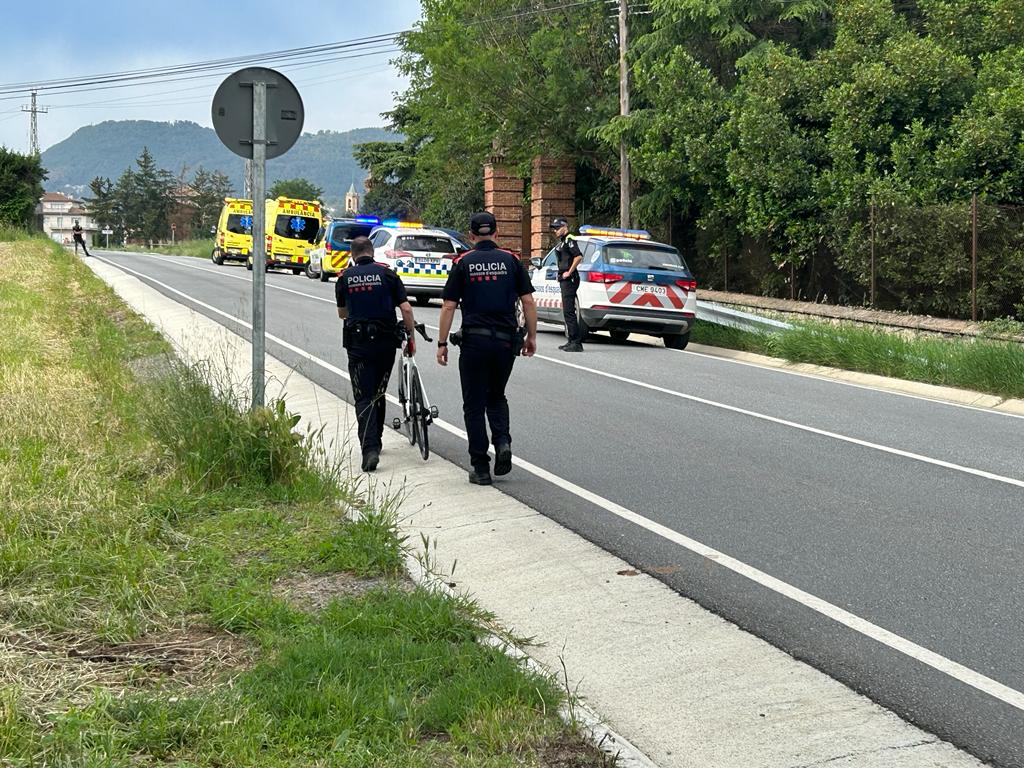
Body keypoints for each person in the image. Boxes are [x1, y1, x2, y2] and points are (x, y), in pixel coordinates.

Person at [436, 212, 538, 485]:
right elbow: (528, 302)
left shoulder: (463, 262)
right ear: (496, 233)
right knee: (497, 396)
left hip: (474, 342)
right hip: (505, 342)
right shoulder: (511, 261)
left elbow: (448, 306)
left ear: (470, 236)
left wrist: (442, 342)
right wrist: (531, 336)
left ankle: (481, 467)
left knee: (473, 405)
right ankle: (502, 442)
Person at [336, 236, 416, 472]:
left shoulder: (344, 278)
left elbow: (342, 313)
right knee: (378, 392)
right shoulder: (388, 274)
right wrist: (410, 336)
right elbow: (406, 308)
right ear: (372, 252)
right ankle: (377, 441)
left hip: (358, 345)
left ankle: (369, 448)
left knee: (363, 395)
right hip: (385, 343)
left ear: (352, 254)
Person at [550, 218, 584, 352]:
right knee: (567, 310)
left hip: (569, 279)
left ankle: (576, 342)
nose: (555, 230)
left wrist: (569, 272)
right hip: (565, 279)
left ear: (565, 227)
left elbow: (578, 256)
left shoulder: (570, 239)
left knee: (569, 311)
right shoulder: (563, 241)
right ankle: (571, 340)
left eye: (557, 228)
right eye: (554, 228)